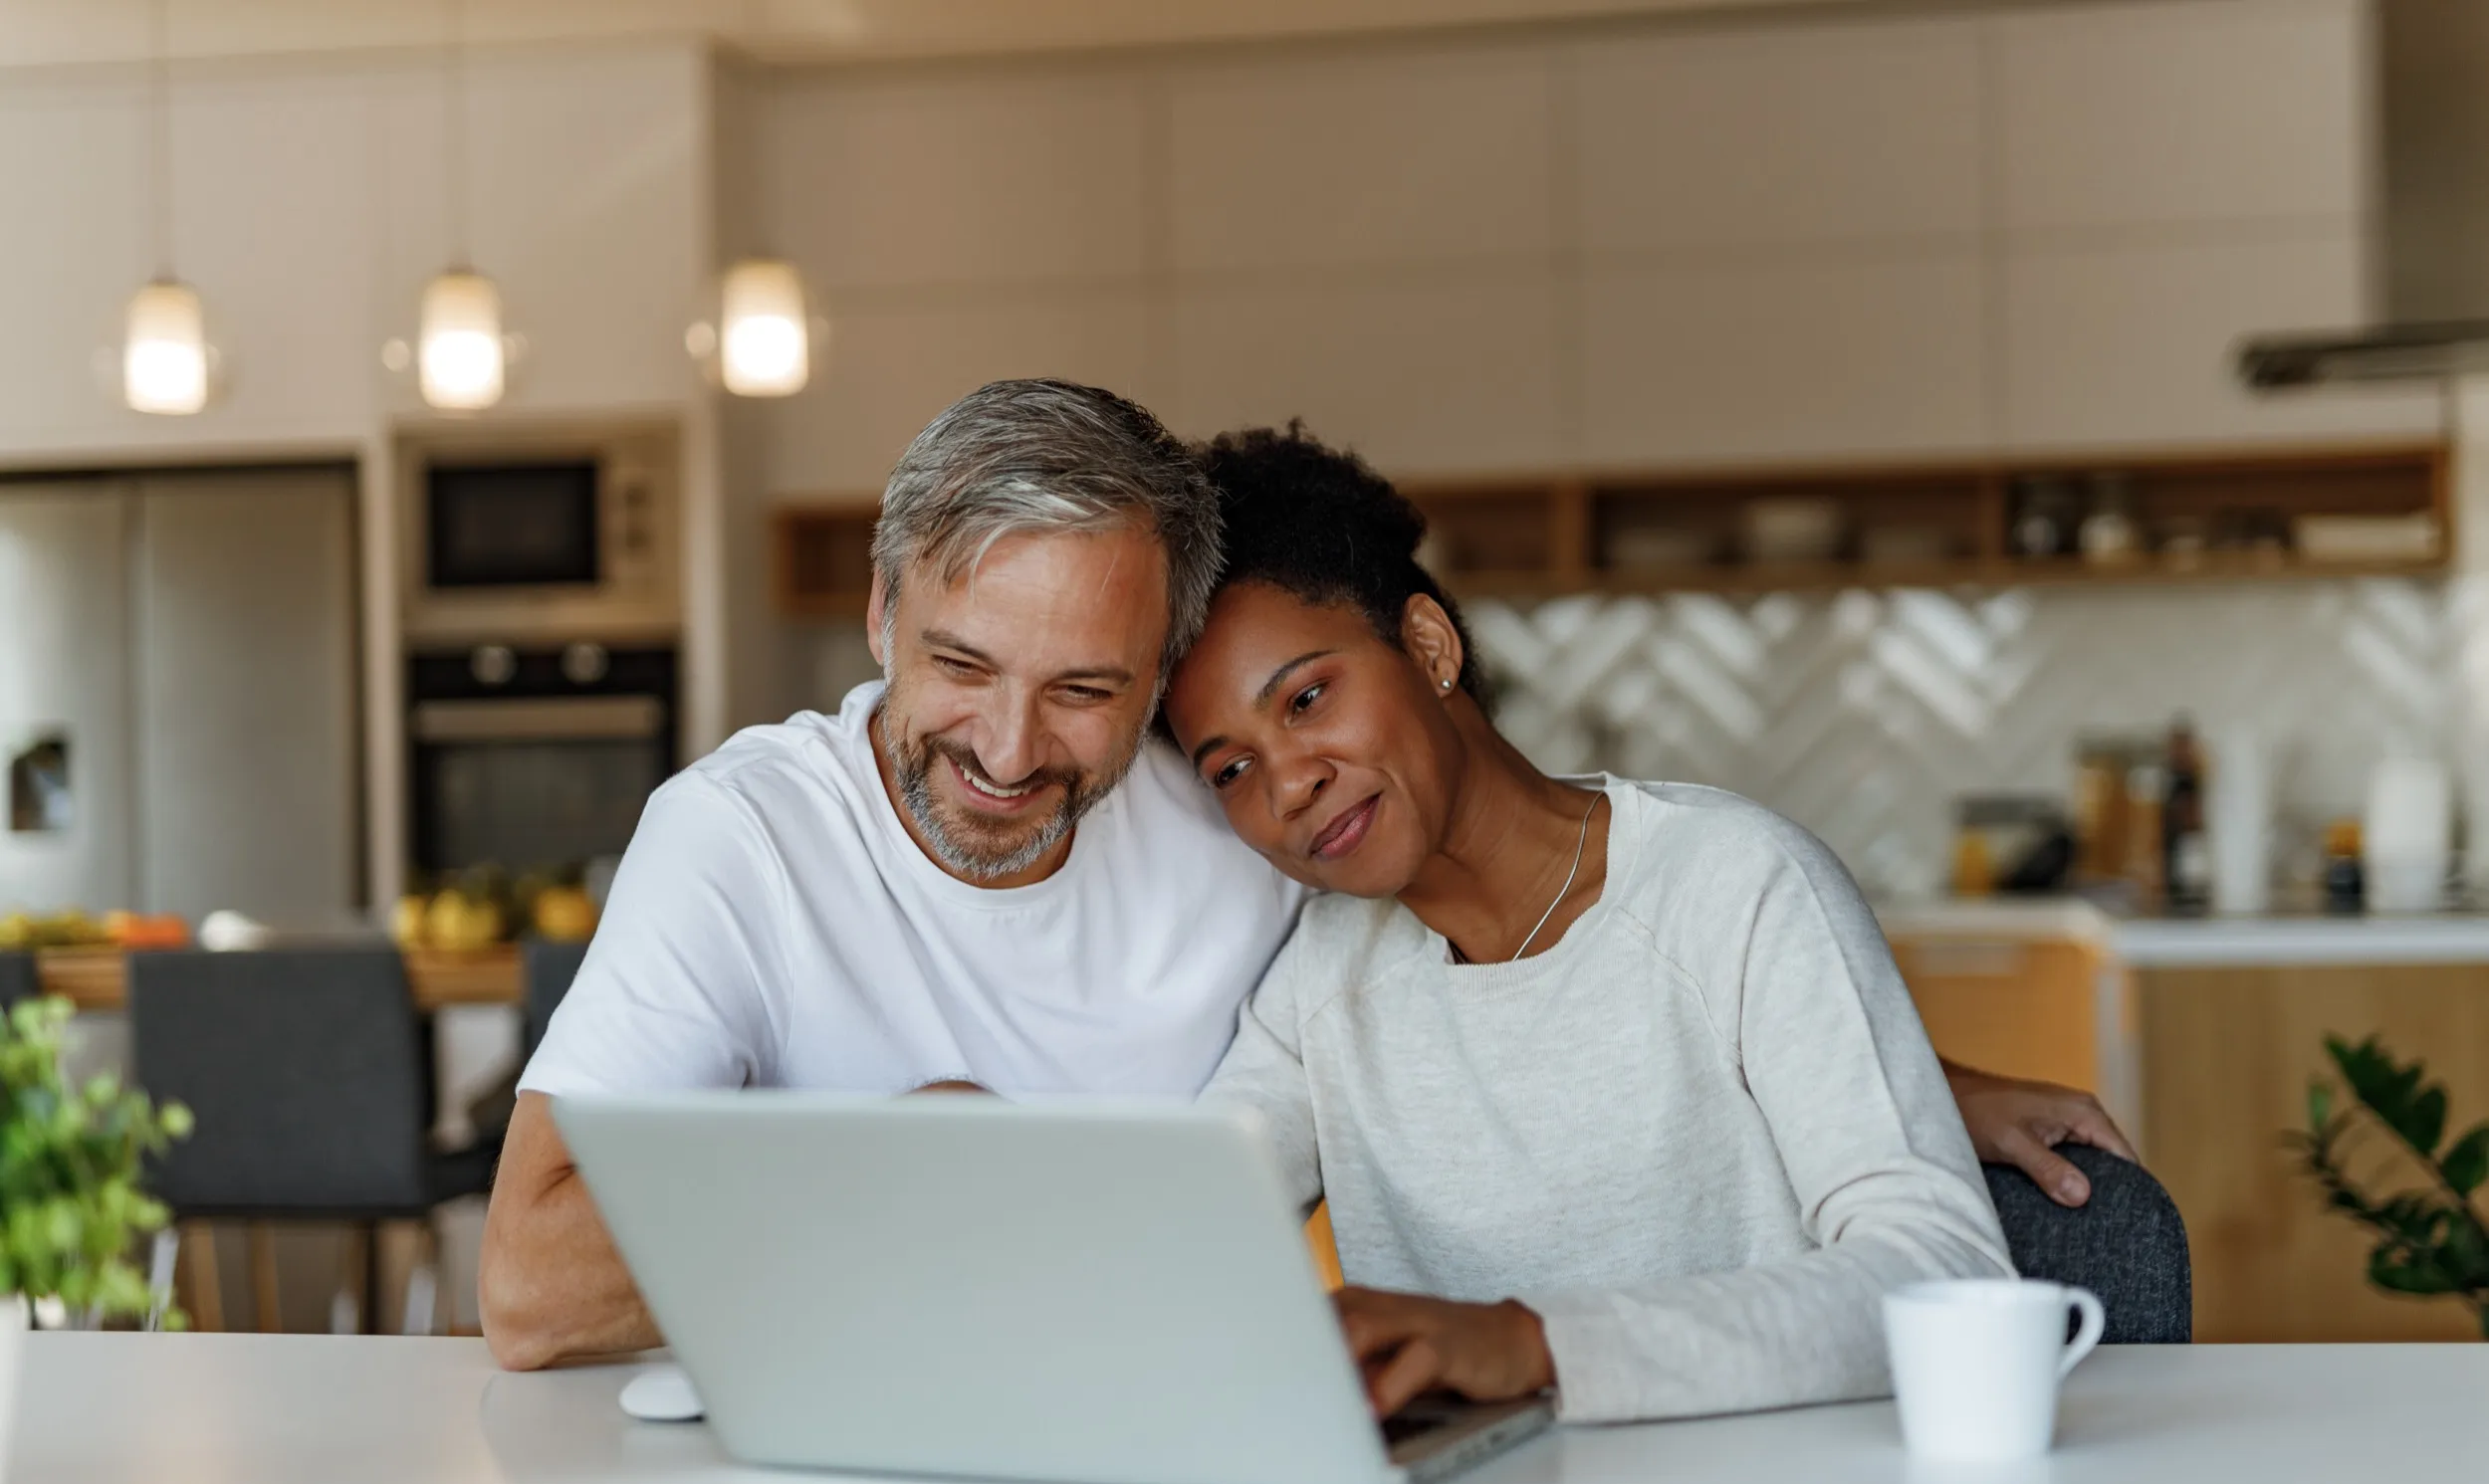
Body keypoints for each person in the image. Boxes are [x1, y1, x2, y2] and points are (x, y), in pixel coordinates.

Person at [479, 378, 2133, 1372]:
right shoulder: (1313, 947)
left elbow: (1899, 1236)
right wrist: (924, 1173)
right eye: (1233, 763)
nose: (1284, 786)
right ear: (880, 618)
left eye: (1084, 693)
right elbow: (1176, 1197)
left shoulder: (1708, 881)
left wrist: (1880, 1073)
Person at [1163, 427, 2011, 1423]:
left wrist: (1530, 1345)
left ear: (1429, 647)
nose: (1289, 782)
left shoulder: (1734, 884)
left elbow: (1938, 1267)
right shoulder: (1319, 981)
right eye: (1230, 769)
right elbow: (1180, 1237)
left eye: (1308, 697)